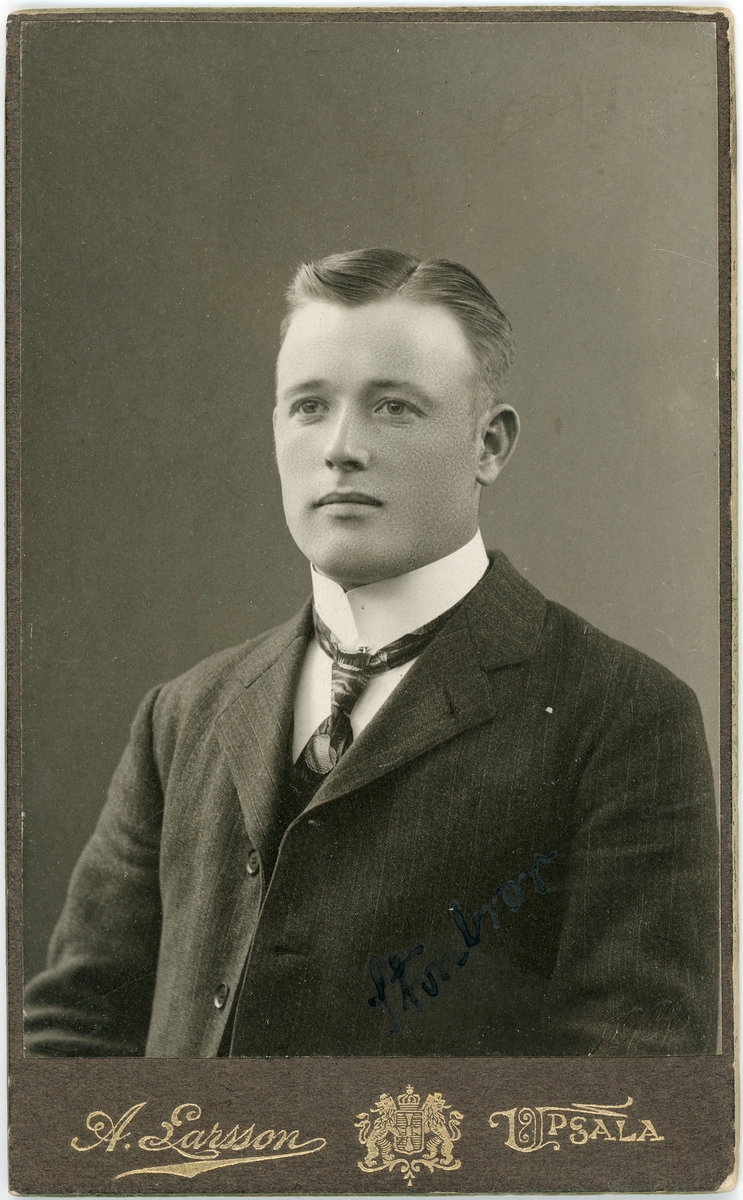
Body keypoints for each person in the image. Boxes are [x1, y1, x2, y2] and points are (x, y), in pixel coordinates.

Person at [24, 248, 719, 1058]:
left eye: (392, 407)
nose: (340, 448)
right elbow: (71, 1041)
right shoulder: (182, 715)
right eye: (308, 406)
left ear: (488, 445)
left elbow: (628, 1091)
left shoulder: (622, 716)